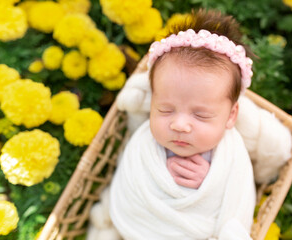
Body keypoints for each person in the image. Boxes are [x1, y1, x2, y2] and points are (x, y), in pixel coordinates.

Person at [109, 9, 256, 240]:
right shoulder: (143, 145)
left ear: (230, 116)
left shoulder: (231, 155)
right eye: (165, 110)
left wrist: (209, 183)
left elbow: (236, 199)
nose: (179, 125)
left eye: (201, 116)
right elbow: (131, 187)